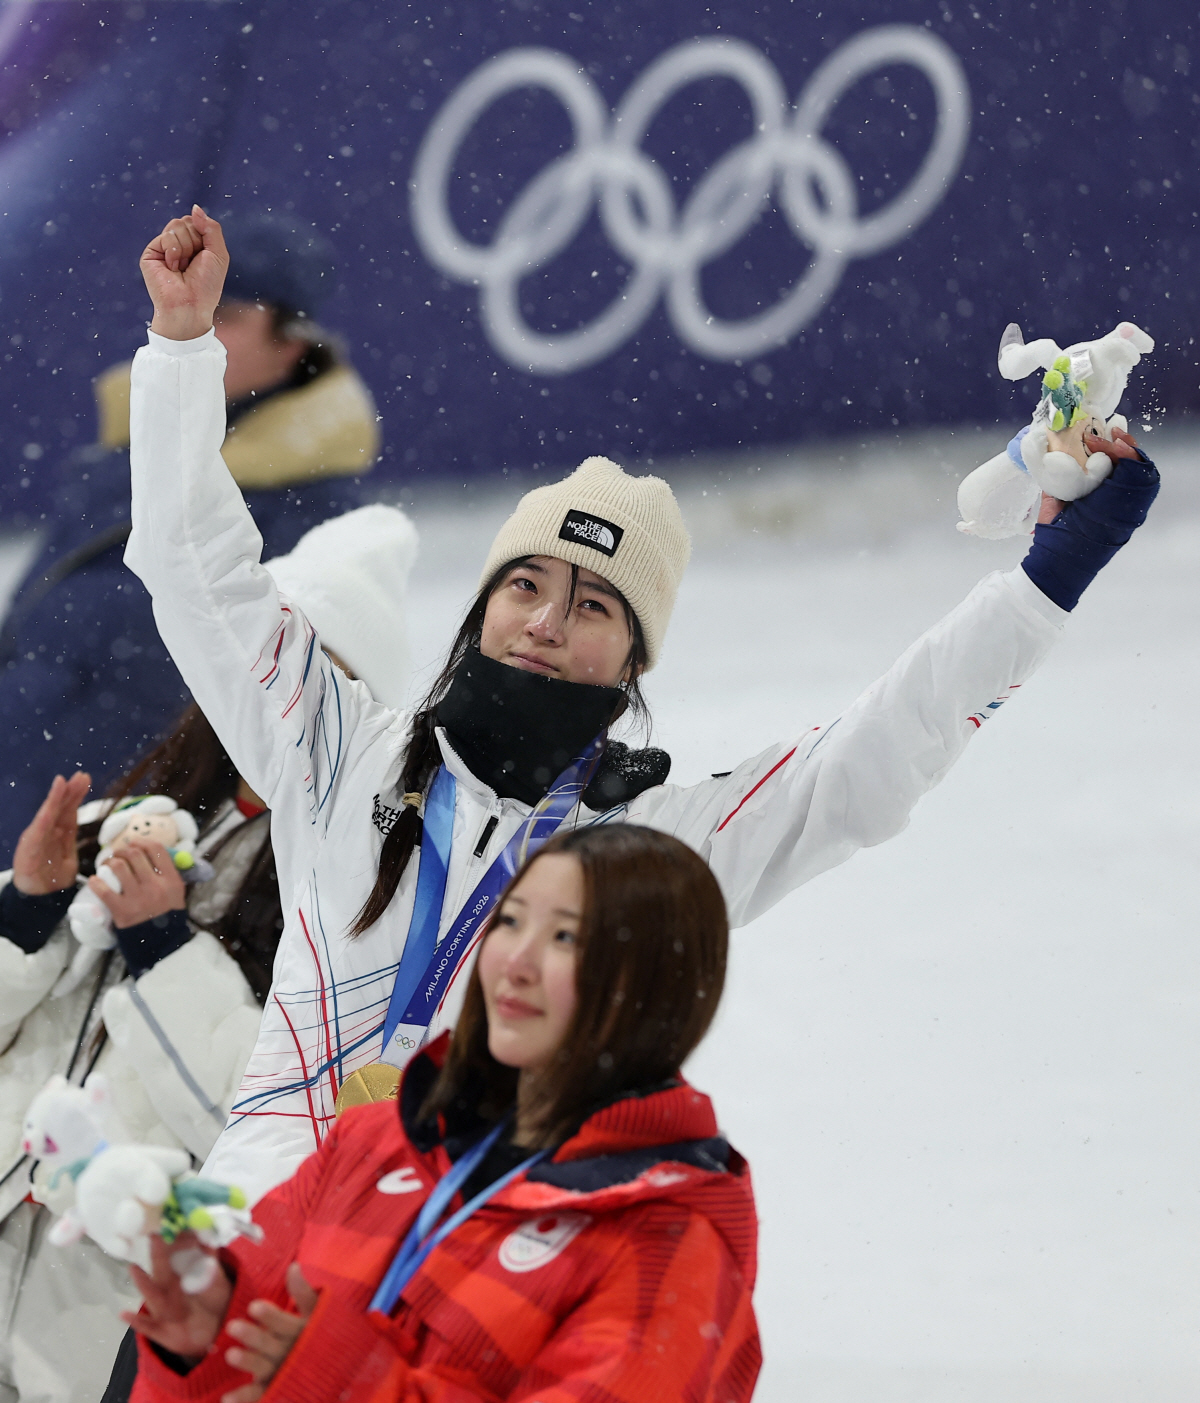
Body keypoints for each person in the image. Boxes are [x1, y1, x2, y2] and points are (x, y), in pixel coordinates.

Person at [129, 208, 1160, 1206]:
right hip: (247, 1267)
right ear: (483, 602)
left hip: (442, 1308)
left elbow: (864, 762)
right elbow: (195, 570)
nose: (544, 619)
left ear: (634, 659)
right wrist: (182, 348)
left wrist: (1044, 581)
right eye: (525, 584)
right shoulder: (340, 747)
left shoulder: (642, 850)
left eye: (592, 604)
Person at [0, 504, 417, 1403]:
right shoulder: (122, 812)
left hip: (113, 1302)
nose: (276, 688)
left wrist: (158, 945)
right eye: (262, 653)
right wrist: (25, 912)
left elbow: (261, 1123)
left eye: (317, 672)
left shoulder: (361, 896)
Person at [125, 825, 760, 1403]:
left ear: (655, 982)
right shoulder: (381, 1140)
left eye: (566, 935)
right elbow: (252, 1358)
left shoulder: (667, 1248)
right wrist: (208, 1340)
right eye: (510, 922)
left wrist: (340, 1380)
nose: (515, 960)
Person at [0, 211, 382, 863]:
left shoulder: (319, 510)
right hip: (23, 791)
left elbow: (284, 711)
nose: (204, 318)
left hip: (131, 835)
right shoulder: (120, 456)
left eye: (230, 311)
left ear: (292, 342)